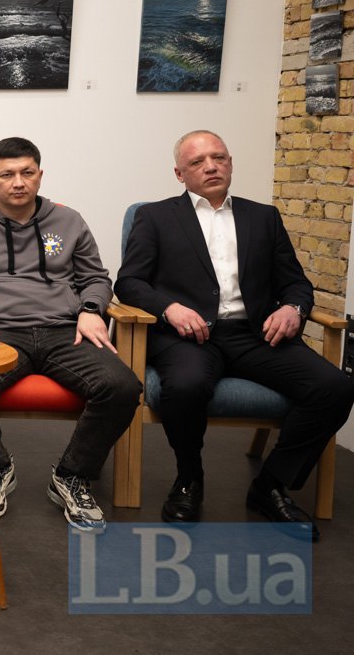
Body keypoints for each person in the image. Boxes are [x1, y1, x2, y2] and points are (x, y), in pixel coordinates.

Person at [115, 130, 353, 539]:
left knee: (334, 386)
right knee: (186, 385)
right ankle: (189, 478)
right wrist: (169, 308)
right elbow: (130, 282)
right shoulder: (154, 217)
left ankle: (271, 484)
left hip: (255, 333)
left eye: (219, 158)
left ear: (230, 163)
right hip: (185, 334)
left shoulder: (263, 216)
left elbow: (296, 283)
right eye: (198, 162)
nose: (211, 166)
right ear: (179, 174)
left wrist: (293, 309)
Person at [0, 137, 140, 531]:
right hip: (0, 333)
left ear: (40, 175)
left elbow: (96, 278)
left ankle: (72, 474)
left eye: (27, 173)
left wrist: (92, 310)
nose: (18, 182)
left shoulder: (68, 221)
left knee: (122, 386)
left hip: (64, 330)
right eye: (7, 174)